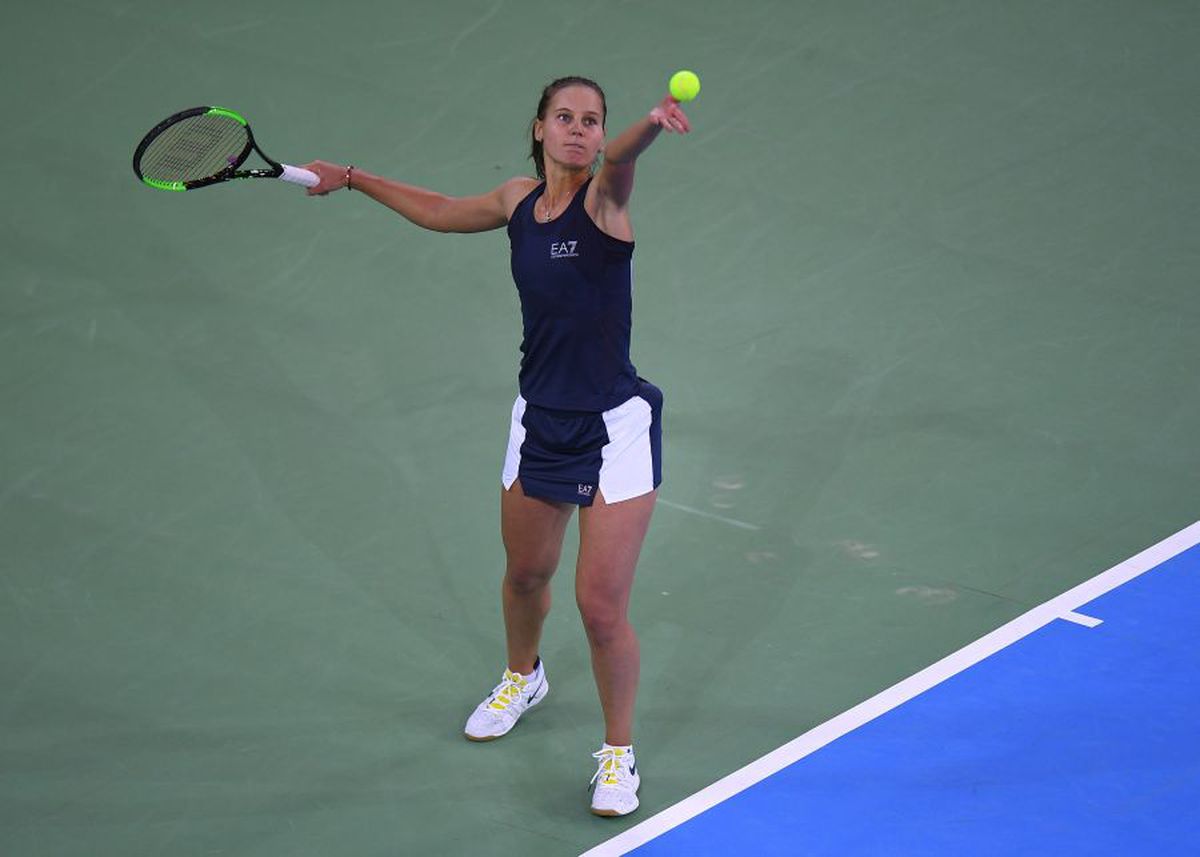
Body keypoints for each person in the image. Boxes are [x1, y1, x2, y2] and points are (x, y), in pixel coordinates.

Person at [303, 75, 692, 817]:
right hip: (540, 418)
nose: (580, 130)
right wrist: (351, 178)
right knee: (524, 577)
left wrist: (647, 125)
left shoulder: (604, 205)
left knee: (600, 607)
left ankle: (617, 754)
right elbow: (445, 211)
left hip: (614, 430)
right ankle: (524, 675)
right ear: (540, 128)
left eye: (593, 121)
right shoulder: (518, 202)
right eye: (566, 118)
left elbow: (622, 166)